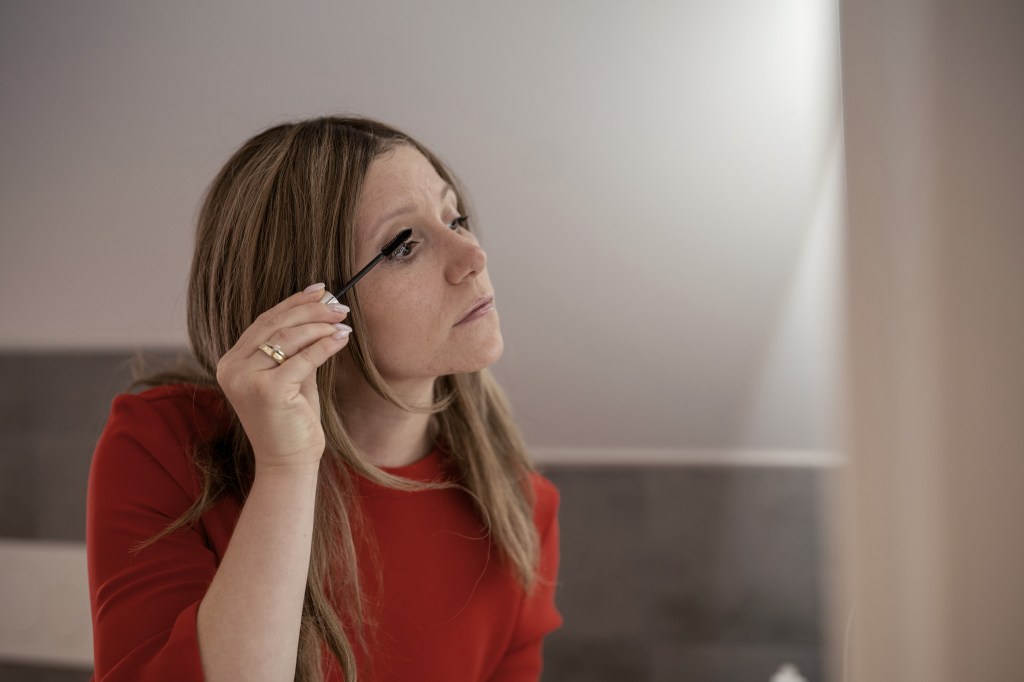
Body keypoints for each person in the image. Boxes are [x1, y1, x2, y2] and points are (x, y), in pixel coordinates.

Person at [86, 116, 562, 682]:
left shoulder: (518, 505)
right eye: (404, 246)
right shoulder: (162, 446)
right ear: (305, 305)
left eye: (455, 216)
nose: (472, 256)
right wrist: (285, 469)